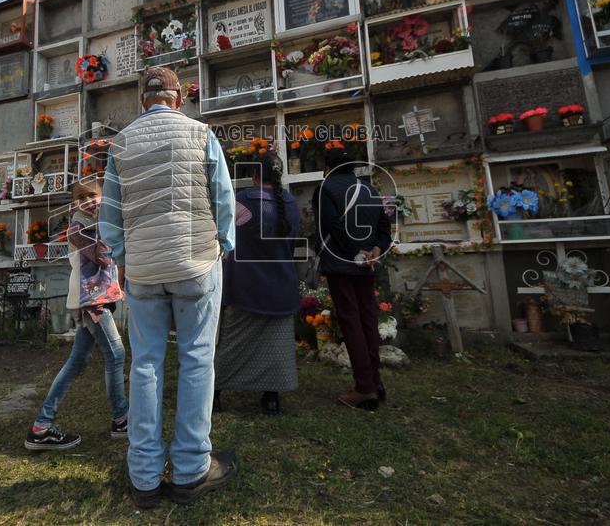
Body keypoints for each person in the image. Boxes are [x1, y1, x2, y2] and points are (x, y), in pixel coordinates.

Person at [100, 66, 236, 508]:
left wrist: (125, 258)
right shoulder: (200, 133)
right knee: (197, 359)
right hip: (197, 260)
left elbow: (110, 216)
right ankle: (192, 468)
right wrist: (224, 246)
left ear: (143, 100)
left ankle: (143, 476)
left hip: (143, 270)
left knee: (145, 364)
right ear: (179, 97)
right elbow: (223, 198)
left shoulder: (120, 144)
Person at [24, 178, 128, 452]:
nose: (89, 201)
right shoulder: (78, 228)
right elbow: (104, 256)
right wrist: (112, 223)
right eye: (82, 198)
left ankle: (41, 427)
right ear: (75, 204)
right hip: (91, 302)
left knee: (77, 362)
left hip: (94, 299)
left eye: (93, 195)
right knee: (115, 355)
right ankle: (121, 420)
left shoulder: (95, 223)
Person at [214, 150, 300, 415]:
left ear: (254, 174)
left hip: (245, 287)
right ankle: (271, 398)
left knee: (231, 344)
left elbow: (220, 232)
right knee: (277, 348)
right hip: (280, 286)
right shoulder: (291, 203)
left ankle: (215, 394)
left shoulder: (242, 200)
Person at [312, 145, 393, 411]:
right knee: (368, 320)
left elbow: (330, 225)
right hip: (367, 264)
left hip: (342, 264)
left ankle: (364, 388)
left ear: (328, 168)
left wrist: (353, 250)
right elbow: (384, 226)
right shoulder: (369, 190)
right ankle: (376, 382)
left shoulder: (326, 189)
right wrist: (375, 249)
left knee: (351, 322)